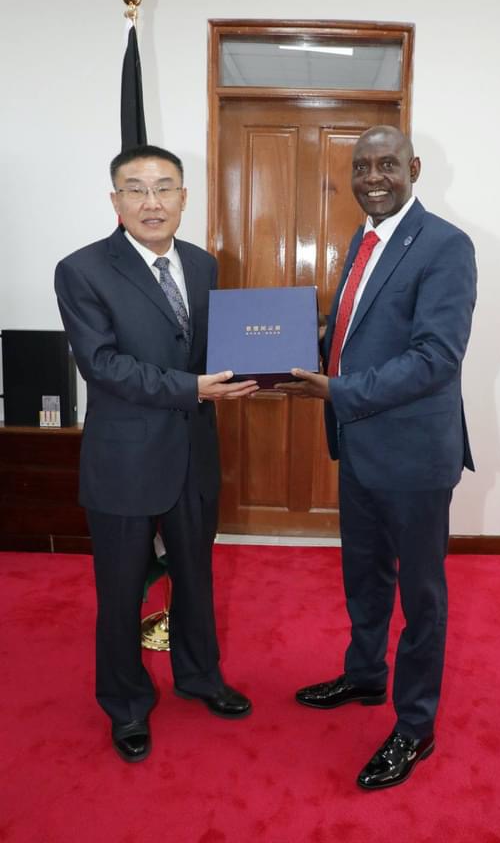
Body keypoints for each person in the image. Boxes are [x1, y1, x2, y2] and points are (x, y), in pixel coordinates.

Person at [277, 125, 476, 790]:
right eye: (362, 166)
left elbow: (434, 358)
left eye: (386, 164)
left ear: (413, 167)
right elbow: (357, 334)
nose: (372, 176)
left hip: (414, 457)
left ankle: (415, 728)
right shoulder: (360, 243)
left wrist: (338, 389)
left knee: (422, 599)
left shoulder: (446, 246)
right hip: (359, 448)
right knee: (363, 576)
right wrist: (298, 340)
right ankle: (364, 676)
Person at [54, 145, 258, 763]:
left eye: (165, 188)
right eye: (136, 189)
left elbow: (214, 348)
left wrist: (260, 366)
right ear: (115, 200)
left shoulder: (203, 264)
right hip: (124, 461)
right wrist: (194, 387)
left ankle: (200, 678)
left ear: (184, 197)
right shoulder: (82, 269)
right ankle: (126, 704)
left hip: (193, 454)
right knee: (121, 591)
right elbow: (104, 365)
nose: (152, 201)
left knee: (196, 578)